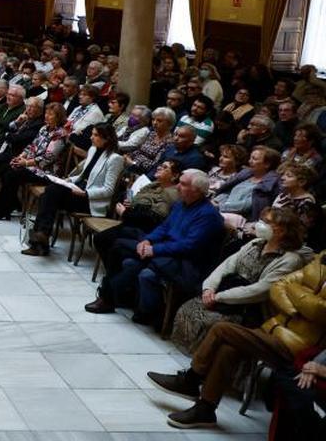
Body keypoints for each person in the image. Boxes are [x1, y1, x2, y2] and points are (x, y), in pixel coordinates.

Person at [146, 250, 326, 430]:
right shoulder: (320, 260)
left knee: (222, 329)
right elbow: (278, 287)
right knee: (229, 347)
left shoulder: (300, 260)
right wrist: (298, 305)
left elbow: (319, 311)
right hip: (273, 328)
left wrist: (295, 291)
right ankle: (206, 409)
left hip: (298, 346)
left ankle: (191, 379)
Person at [86, 170, 222, 327]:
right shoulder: (181, 205)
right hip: (167, 251)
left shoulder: (207, 215)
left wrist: (155, 250)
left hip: (185, 263)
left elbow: (188, 246)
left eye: (183, 184)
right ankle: (114, 296)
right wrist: (148, 240)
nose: (177, 187)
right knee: (119, 247)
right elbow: (164, 227)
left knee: (137, 265)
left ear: (197, 191)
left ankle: (112, 299)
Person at [170, 207, 312, 355]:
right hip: (226, 292)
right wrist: (209, 288)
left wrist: (219, 297)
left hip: (249, 307)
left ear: (282, 230)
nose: (260, 224)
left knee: (209, 321)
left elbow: (259, 291)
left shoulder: (290, 260)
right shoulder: (256, 243)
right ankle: (191, 358)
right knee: (188, 308)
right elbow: (227, 265)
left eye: (267, 222)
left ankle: (198, 363)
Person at [21, 122, 124, 256]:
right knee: (51, 192)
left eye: (96, 135)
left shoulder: (115, 159)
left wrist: (85, 193)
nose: (91, 138)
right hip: (78, 190)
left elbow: (109, 189)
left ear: (107, 139)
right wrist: (69, 180)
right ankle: (41, 238)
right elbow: (83, 175)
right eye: (92, 134)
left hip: (91, 201)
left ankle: (41, 238)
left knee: (50, 193)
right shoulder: (93, 150)